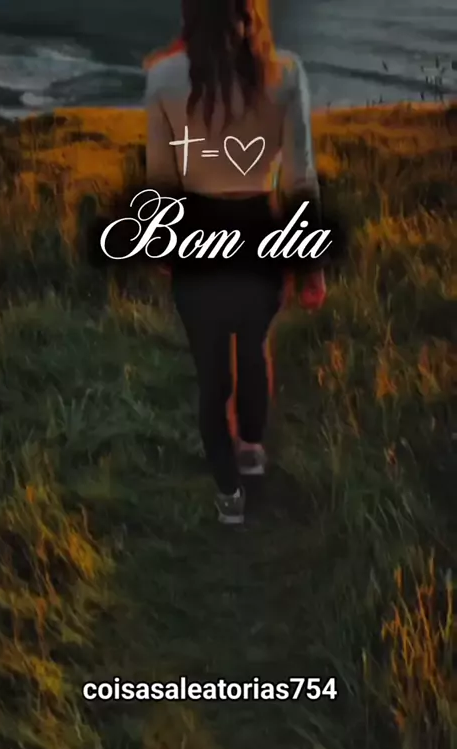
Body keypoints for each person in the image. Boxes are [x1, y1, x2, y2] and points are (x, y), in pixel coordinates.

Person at [144, 0, 326, 525]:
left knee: (211, 374)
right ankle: (250, 453)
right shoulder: (285, 72)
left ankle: (229, 497)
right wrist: (312, 266)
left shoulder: (163, 78)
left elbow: (161, 178)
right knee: (253, 348)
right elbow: (301, 179)